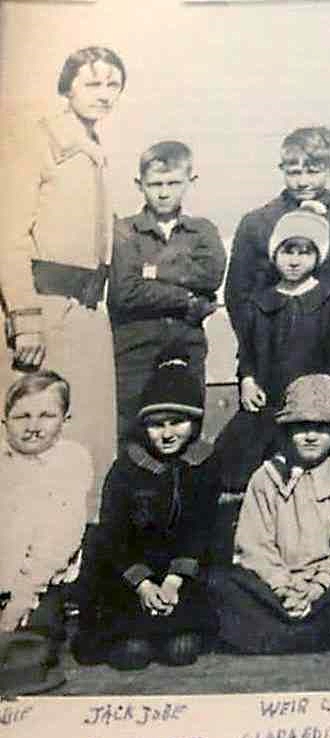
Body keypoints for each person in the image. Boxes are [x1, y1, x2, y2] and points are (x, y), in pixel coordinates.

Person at [2, 48, 127, 516]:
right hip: (45, 311)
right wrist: (25, 318)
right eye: (92, 83)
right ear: (67, 87)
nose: (104, 94)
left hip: (90, 314)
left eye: (113, 84)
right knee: (37, 437)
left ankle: (80, 567)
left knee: (89, 442)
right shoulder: (37, 142)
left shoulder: (95, 150)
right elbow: (8, 235)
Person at [210, 375, 330, 654]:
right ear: (286, 430)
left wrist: (316, 588)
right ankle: (324, 637)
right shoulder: (266, 476)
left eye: (320, 427)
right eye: (301, 427)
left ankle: (280, 638)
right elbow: (253, 547)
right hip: (276, 589)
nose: (310, 436)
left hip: (328, 588)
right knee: (222, 583)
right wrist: (285, 588)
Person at [80, 356, 219, 670]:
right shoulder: (129, 467)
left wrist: (173, 582)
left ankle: (172, 630)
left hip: (181, 577)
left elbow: (203, 529)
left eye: (177, 422)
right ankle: (130, 636)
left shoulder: (204, 465)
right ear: (144, 427)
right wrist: (143, 585)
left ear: (195, 422)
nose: (167, 433)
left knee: (182, 650)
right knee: (133, 652)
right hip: (130, 575)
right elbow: (113, 534)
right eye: (157, 424)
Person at [211, 207, 330, 490]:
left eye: (304, 252)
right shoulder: (262, 301)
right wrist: (247, 379)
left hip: (312, 405)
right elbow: (248, 349)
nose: (294, 261)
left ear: (317, 256)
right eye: (288, 251)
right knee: (235, 459)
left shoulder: (329, 298)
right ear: (274, 254)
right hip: (269, 400)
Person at [107, 141, 225, 427]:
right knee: (133, 426)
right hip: (136, 350)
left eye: (173, 183)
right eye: (154, 184)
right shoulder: (125, 231)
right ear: (140, 184)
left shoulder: (202, 230)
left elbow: (211, 276)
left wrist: (153, 270)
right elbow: (125, 292)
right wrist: (188, 300)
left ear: (190, 182)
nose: (163, 192)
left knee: (187, 424)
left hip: (187, 347)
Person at [225, 127, 330, 345]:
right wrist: (255, 347)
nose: (303, 182)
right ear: (282, 169)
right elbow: (238, 294)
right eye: (294, 172)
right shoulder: (256, 224)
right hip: (272, 345)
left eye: (313, 172)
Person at [0, 372, 92, 639]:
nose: (34, 426)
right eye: (22, 417)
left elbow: (58, 542)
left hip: (40, 581)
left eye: (47, 416)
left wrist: (21, 599)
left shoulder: (69, 461)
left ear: (65, 420)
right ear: (5, 421)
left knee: (29, 642)